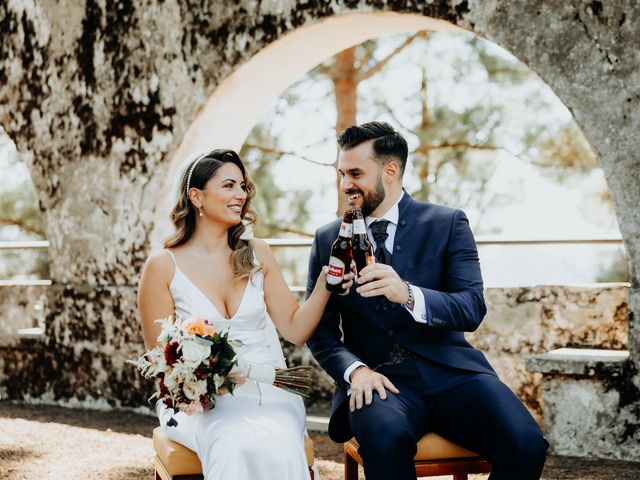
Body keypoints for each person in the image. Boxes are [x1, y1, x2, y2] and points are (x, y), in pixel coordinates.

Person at [306, 122, 548, 480]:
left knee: (527, 444)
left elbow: (471, 308)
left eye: (355, 173)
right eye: (342, 173)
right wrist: (355, 372)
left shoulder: (448, 223)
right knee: (387, 439)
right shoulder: (328, 238)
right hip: (379, 382)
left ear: (390, 171)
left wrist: (407, 293)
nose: (345, 185)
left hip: (454, 375)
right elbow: (320, 333)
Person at [137, 149, 351, 480]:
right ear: (197, 197)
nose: (241, 195)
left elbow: (295, 330)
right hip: (198, 402)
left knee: (279, 439)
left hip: (268, 390)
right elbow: (161, 364)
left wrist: (325, 284)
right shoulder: (163, 266)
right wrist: (204, 383)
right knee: (230, 441)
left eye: (243, 186)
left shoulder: (258, 254)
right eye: (229, 186)